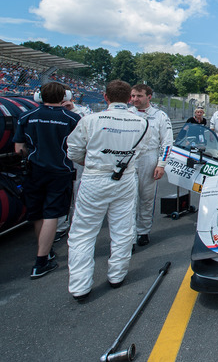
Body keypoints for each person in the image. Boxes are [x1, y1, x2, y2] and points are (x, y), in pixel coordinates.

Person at [66, 80, 149, 301]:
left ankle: (80, 286)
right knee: (123, 228)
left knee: (83, 232)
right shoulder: (141, 122)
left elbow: (73, 151)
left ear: (105, 97)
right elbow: (140, 151)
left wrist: (94, 163)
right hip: (125, 177)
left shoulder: (89, 120)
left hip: (94, 177)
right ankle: (117, 275)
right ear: (129, 98)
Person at [13, 82, 81, 279]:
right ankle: (41, 260)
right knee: (52, 213)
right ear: (63, 96)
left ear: (40, 97)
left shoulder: (26, 116)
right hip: (60, 171)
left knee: (38, 213)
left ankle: (46, 251)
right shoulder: (72, 117)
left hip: (34, 171)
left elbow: (19, 149)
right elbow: (78, 147)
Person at [129, 84, 173, 247]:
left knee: (146, 198)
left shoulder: (160, 115)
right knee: (129, 200)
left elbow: (167, 142)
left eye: (139, 96)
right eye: (133, 96)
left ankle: (143, 231)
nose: (135, 99)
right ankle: (130, 237)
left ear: (149, 97)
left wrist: (161, 164)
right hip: (130, 158)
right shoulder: (127, 114)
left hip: (150, 157)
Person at [55, 99, 92, 242]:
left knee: (78, 189)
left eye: (66, 101)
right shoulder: (54, 113)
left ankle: (78, 223)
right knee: (61, 192)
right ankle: (60, 226)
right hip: (58, 158)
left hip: (78, 159)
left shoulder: (82, 113)